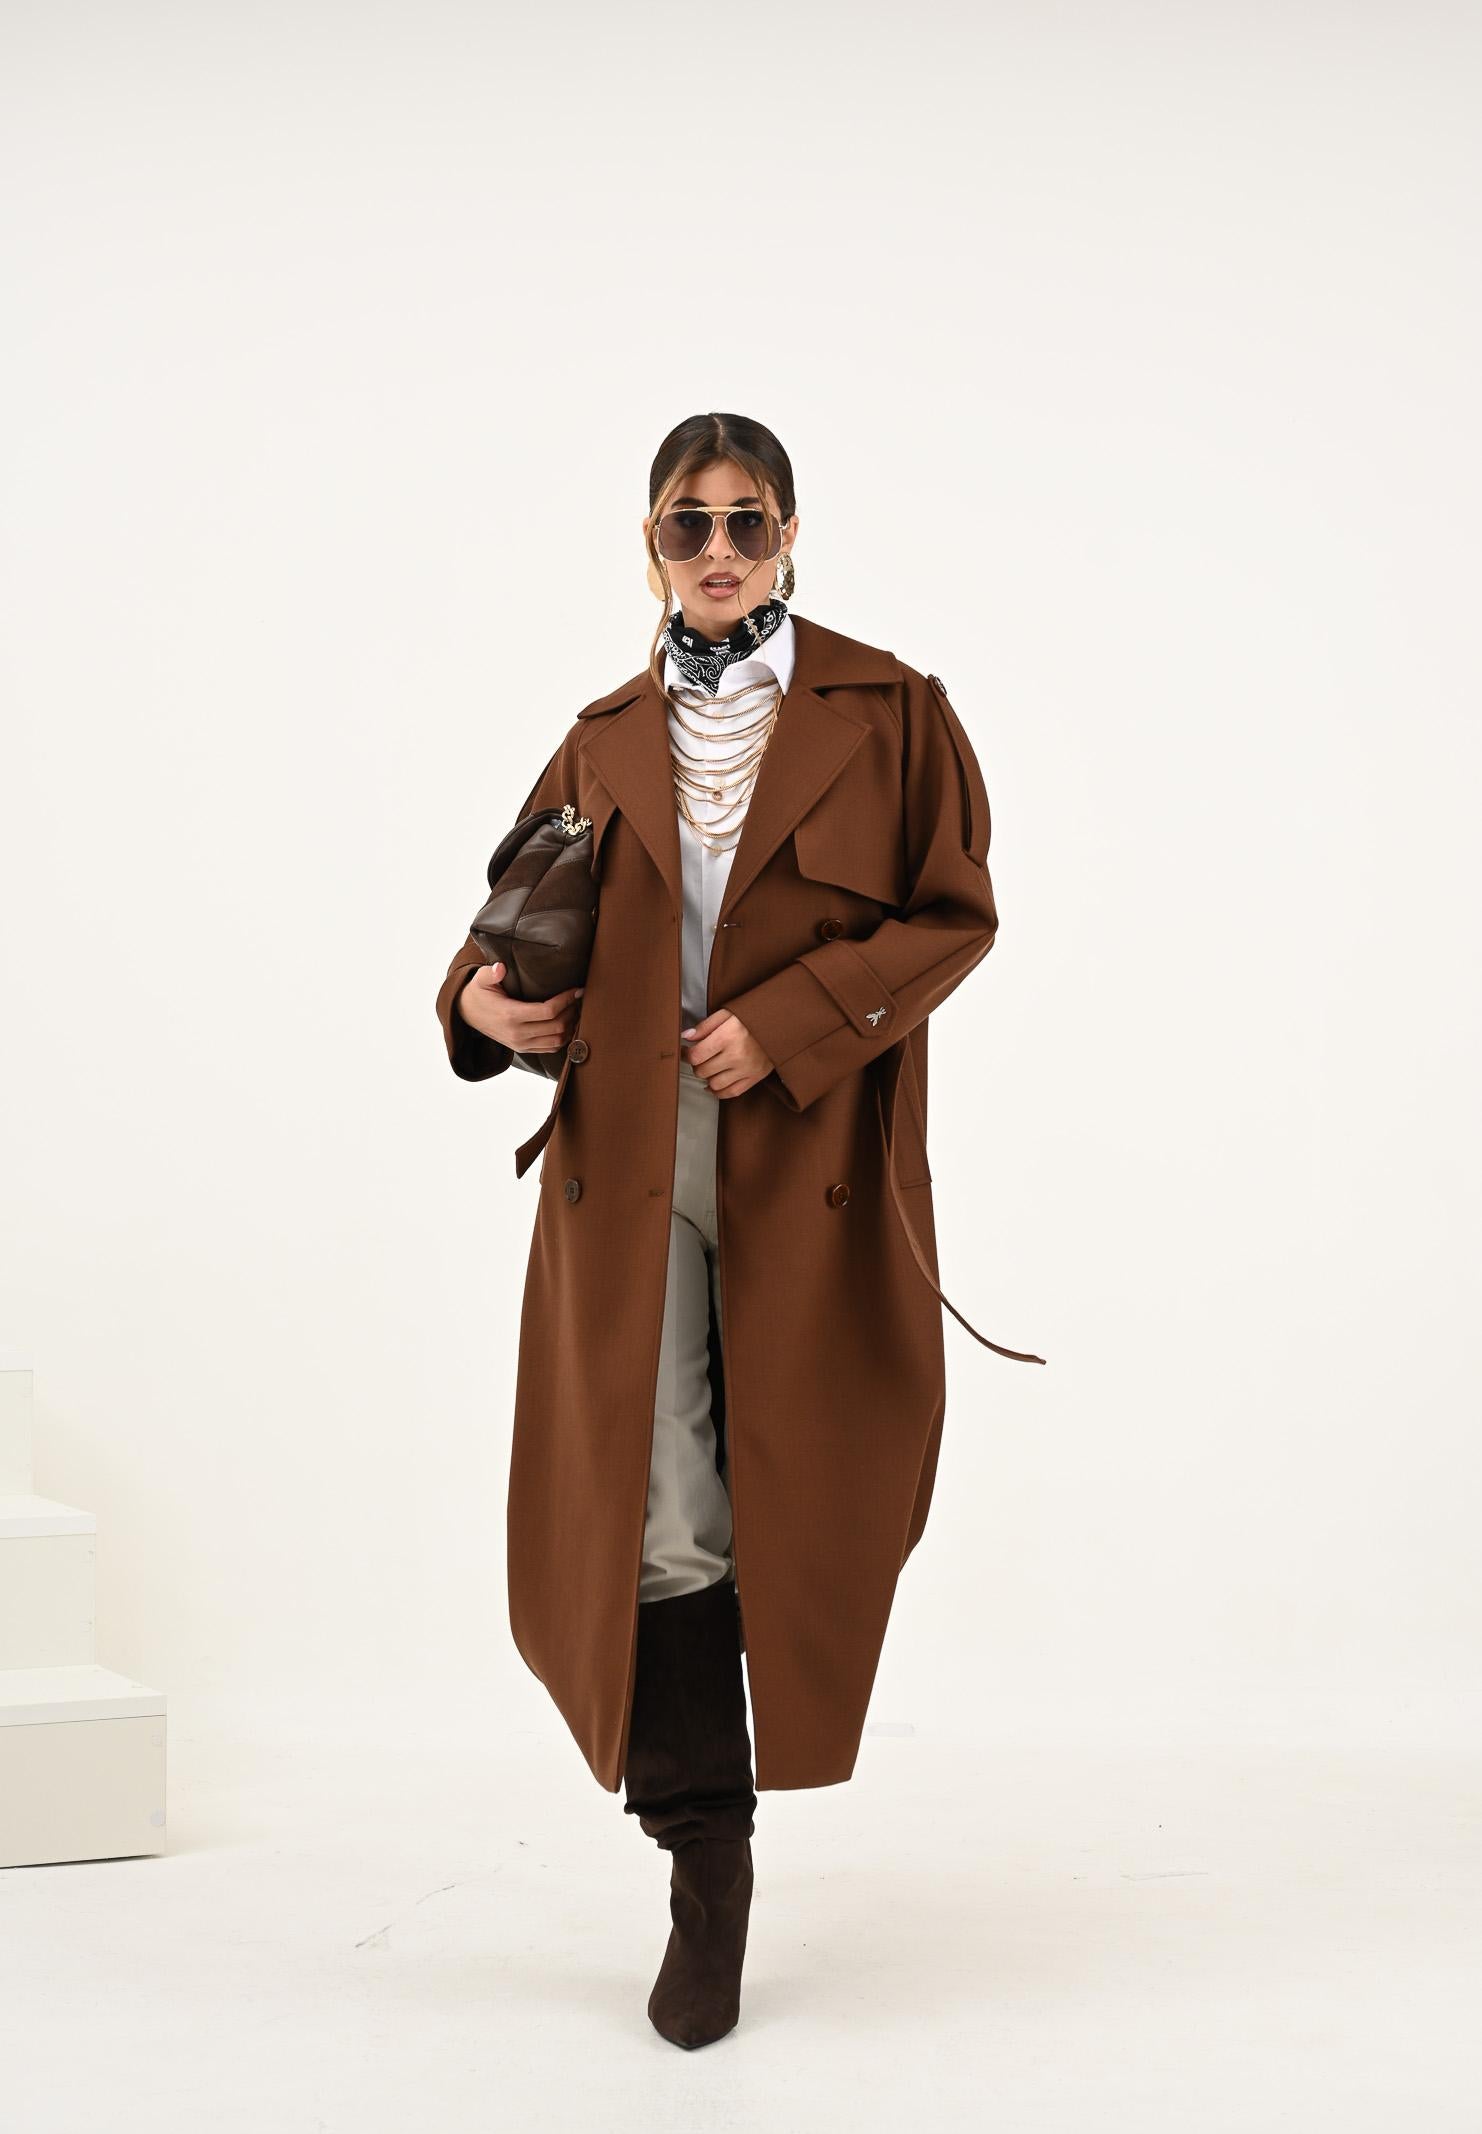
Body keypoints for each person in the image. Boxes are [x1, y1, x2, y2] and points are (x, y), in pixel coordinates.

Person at [436, 411, 1041, 2050]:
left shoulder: (893, 712)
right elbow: (505, 919)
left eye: (746, 520)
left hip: (808, 1158)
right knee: (660, 1508)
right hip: (620, 1164)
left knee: (806, 1481)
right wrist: (476, 1002)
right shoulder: (601, 733)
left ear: (789, 536)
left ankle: (726, 1816)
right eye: (686, 523)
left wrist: (786, 1019)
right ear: (648, 546)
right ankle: (706, 1861)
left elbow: (955, 914)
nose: (717, 549)